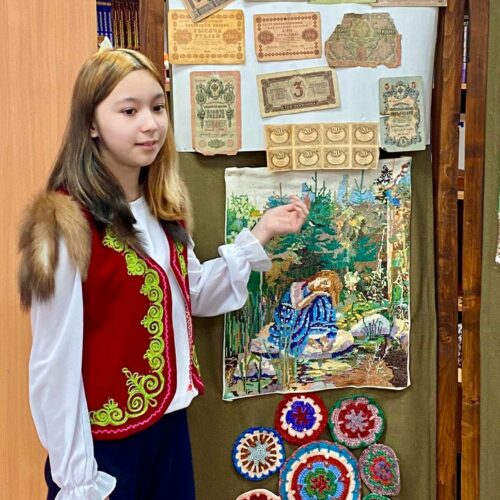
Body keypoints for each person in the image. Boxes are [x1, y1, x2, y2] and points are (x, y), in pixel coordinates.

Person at [18, 49, 308, 500]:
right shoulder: (65, 224)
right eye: (129, 111)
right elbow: (54, 363)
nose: (150, 124)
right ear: (91, 123)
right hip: (104, 447)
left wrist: (260, 234)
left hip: (169, 429)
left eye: (157, 107)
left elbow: (191, 295)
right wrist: (77, 477)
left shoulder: (162, 207)